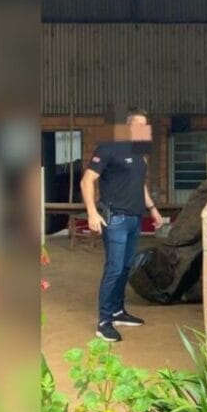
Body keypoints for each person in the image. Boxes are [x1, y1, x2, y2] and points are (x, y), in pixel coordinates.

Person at [80, 107, 163, 342]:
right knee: (114, 268)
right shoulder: (108, 148)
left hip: (135, 218)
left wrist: (152, 209)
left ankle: (118, 311)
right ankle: (104, 321)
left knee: (126, 267)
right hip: (114, 218)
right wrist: (92, 213)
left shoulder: (140, 153)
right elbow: (87, 180)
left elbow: (140, 185)